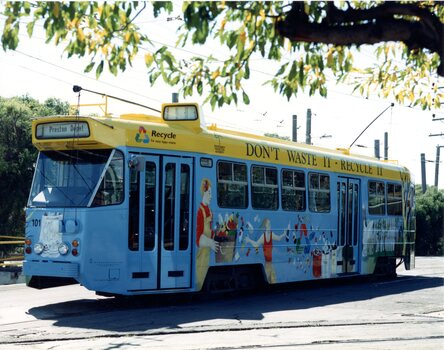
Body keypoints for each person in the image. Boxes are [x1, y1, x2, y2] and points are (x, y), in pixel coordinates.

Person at [195, 178, 220, 290]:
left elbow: (209, 230)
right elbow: (198, 239)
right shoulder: (200, 211)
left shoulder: (209, 210)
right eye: (209, 193)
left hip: (207, 253)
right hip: (202, 251)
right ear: (203, 192)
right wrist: (210, 242)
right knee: (200, 273)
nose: (211, 196)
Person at [245, 218, 285, 283]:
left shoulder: (271, 234)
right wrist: (249, 240)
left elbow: (279, 238)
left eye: (270, 224)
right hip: (267, 264)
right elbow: (256, 244)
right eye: (268, 224)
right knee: (269, 281)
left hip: (271, 264)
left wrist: (284, 233)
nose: (270, 226)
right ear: (265, 226)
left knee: (273, 281)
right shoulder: (263, 237)